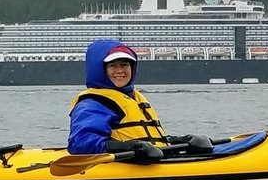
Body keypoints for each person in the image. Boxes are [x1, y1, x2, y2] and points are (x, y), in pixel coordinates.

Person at [68, 40, 212, 162]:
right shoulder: (93, 103)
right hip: (121, 165)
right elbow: (81, 144)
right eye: (112, 66)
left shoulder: (133, 97)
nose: (120, 71)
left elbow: (143, 137)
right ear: (100, 70)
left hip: (149, 160)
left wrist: (181, 140)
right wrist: (131, 147)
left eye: (124, 65)